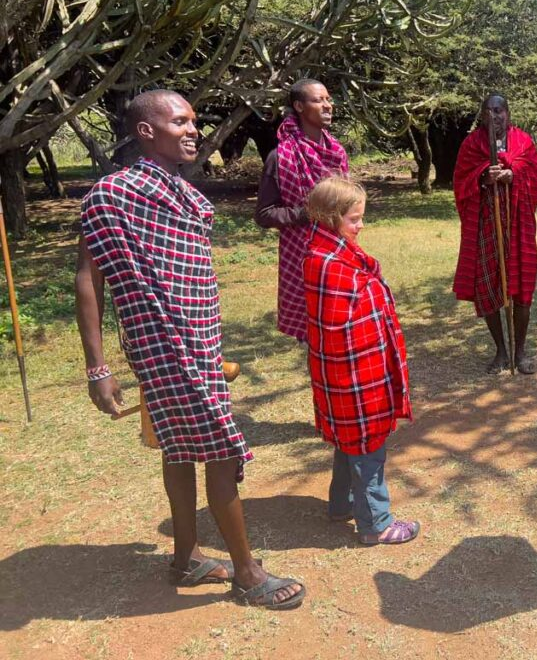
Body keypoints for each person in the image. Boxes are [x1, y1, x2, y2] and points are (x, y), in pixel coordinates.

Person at [75, 89, 305, 609]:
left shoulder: (180, 191)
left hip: (200, 338)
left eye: (193, 122)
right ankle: (246, 574)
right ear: (145, 131)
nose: (192, 130)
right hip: (162, 345)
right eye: (179, 121)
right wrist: (97, 368)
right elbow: (88, 278)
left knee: (179, 450)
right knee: (221, 450)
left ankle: (185, 559)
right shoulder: (111, 196)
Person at [303, 174, 420, 545]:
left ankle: (342, 505)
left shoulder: (332, 254)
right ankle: (376, 524)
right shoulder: (328, 264)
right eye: (354, 219)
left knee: (348, 442)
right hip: (353, 373)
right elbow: (342, 323)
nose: (361, 225)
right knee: (367, 448)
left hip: (346, 374)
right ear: (330, 216)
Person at [452, 94, 537, 374]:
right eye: (489, 111)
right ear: (482, 115)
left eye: (499, 109)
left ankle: (520, 352)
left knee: (523, 289)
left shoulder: (524, 142)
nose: (495, 115)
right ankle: (501, 352)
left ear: (508, 112)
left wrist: (513, 174)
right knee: (488, 287)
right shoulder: (472, 145)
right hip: (486, 225)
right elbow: (460, 181)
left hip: (518, 224)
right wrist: (483, 176)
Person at [255, 79, 349, 344]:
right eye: (319, 100)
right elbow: (264, 213)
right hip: (303, 257)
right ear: (299, 106)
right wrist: (305, 215)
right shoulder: (281, 157)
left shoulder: (337, 153)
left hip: (339, 250)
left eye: (328, 99)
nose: (328, 105)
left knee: (341, 332)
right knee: (315, 337)